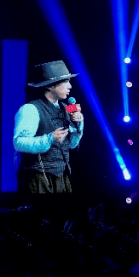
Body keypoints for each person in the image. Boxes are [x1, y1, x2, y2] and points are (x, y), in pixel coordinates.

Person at [13, 60, 85, 194]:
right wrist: (49, 139)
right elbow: (19, 143)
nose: (70, 86)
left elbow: (71, 145)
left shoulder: (66, 108)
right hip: (38, 178)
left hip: (62, 177)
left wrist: (79, 124)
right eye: (66, 82)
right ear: (51, 86)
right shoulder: (30, 109)